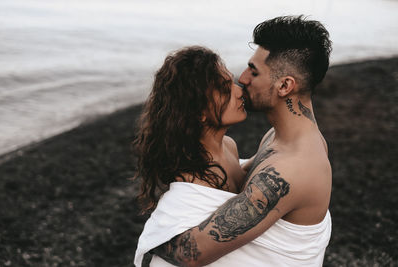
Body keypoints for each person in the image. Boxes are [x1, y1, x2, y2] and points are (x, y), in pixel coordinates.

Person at [152, 15, 333, 266]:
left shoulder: (294, 168)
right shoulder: (278, 138)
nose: (243, 79)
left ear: (284, 86)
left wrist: (156, 230)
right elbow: (243, 179)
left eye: (254, 71)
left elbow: (189, 254)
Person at [133, 46, 248, 267]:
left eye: (232, 81)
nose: (239, 90)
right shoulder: (196, 175)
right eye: (225, 89)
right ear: (199, 112)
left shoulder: (229, 146)